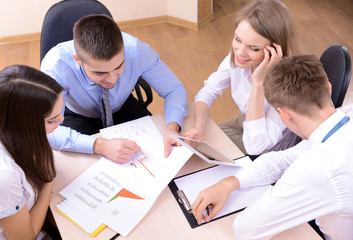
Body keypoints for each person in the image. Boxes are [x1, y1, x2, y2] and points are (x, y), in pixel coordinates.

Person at [191, 55, 353, 239]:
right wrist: (231, 182)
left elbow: (245, 230)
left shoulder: (317, 167)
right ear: (329, 89)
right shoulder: (345, 117)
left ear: (284, 115)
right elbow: (283, 159)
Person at [41, 14, 187, 163]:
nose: (111, 80)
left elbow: (174, 89)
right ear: (77, 59)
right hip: (77, 114)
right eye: (100, 72)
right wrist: (99, 145)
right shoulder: (56, 66)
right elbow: (43, 128)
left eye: (118, 67)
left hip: (122, 105)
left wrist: (173, 127)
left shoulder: (137, 50)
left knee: (159, 156)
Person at [185, 0, 298, 155]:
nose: (240, 53)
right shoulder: (238, 59)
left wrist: (258, 82)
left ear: (275, 50)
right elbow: (208, 91)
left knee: (198, 153)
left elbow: (257, 145)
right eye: (238, 39)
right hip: (244, 123)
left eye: (253, 48)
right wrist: (199, 125)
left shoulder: (288, 85)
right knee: (193, 143)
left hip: (267, 146)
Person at [0, 65, 64, 239]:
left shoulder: (11, 129)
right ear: (24, 125)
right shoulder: (5, 176)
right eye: (52, 120)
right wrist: (49, 180)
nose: (62, 120)